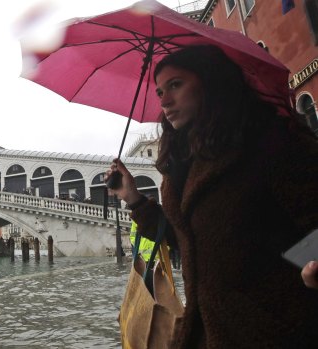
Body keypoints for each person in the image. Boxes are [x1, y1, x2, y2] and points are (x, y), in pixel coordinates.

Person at [106, 45, 318, 348]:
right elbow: (187, 239)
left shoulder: (270, 141)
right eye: (159, 92)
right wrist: (134, 199)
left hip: (275, 330)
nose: (164, 100)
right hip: (206, 331)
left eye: (175, 85)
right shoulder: (181, 163)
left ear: (210, 83)